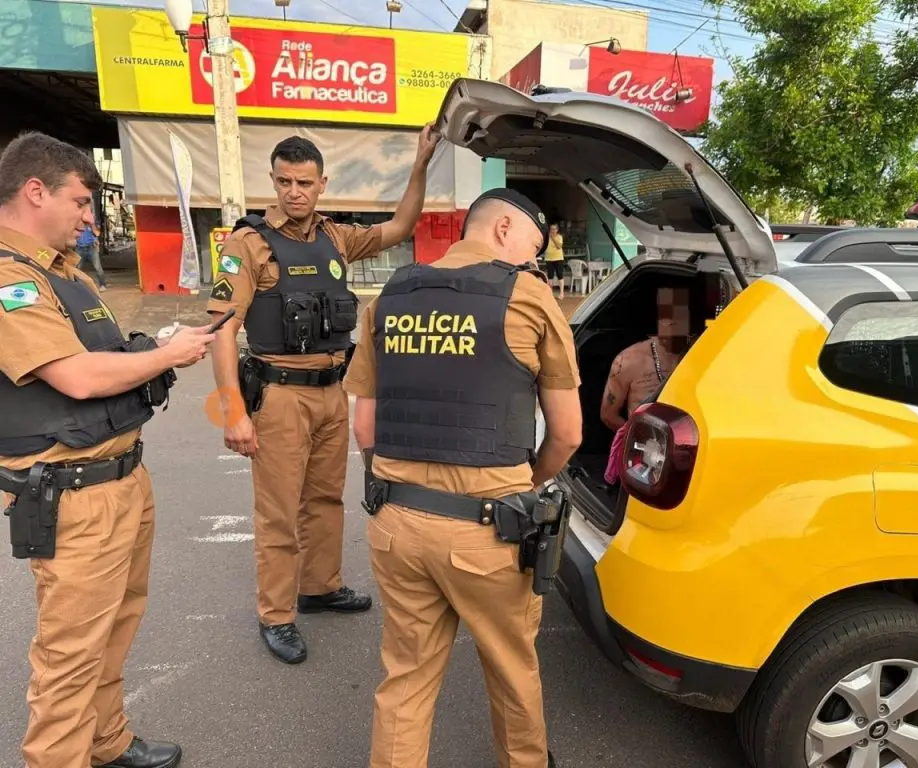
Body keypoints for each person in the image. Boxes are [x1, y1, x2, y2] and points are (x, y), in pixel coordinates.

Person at [344, 187, 583, 768]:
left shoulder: (390, 294)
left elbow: (365, 427)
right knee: (510, 668)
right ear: (503, 228)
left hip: (397, 524)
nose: (534, 257)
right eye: (532, 242)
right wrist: (525, 486)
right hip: (489, 531)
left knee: (405, 677)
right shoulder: (528, 296)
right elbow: (568, 435)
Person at [0, 131, 216, 768]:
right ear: (35, 191)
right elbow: (74, 376)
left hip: (119, 476)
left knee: (116, 627)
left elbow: (108, 358)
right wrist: (170, 354)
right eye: (81, 200)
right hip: (72, 493)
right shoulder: (10, 281)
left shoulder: (64, 276)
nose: (90, 216)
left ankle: (106, 741)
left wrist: (158, 347)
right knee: (70, 656)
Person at [207, 126, 440, 664]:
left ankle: (319, 587)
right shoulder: (248, 243)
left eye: (305, 182)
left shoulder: (335, 238)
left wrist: (421, 163)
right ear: (273, 180)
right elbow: (221, 328)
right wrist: (233, 411)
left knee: (325, 501)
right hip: (280, 395)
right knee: (278, 512)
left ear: (321, 183)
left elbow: (402, 226)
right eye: (285, 181)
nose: (295, 191)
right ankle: (276, 614)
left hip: (334, 392)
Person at [601, 286, 690, 484]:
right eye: (667, 316)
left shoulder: (702, 353)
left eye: (682, 315)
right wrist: (640, 441)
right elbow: (608, 415)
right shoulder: (628, 361)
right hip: (643, 460)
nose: (674, 322)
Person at [74, 221, 107, 291]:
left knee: (97, 267)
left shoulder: (90, 224)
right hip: (79, 248)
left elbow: (97, 233)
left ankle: (102, 285)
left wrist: (92, 225)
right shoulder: (75, 223)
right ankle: (76, 286)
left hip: (91, 247)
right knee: (77, 268)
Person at [542, 221, 565, 298]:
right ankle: (550, 293)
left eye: (554, 229)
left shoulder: (559, 237)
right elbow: (543, 246)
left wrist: (553, 238)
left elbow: (559, 246)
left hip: (558, 258)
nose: (553, 230)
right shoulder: (546, 237)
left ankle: (561, 293)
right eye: (551, 229)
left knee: (560, 275)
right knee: (550, 276)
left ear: (557, 230)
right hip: (549, 259)